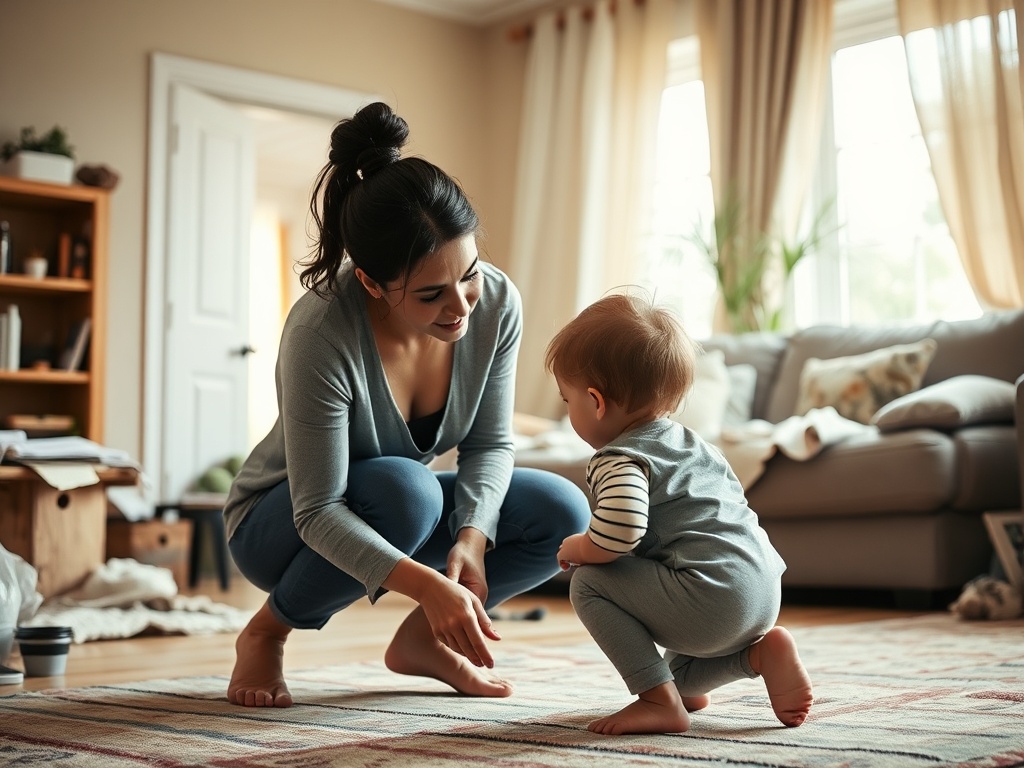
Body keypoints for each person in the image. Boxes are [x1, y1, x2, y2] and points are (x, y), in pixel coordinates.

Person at [223, 101, 591, 708]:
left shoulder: (496, 302)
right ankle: (267, 631)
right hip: (281, 524)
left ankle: (424, 643)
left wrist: (473, 539)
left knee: (561, 510)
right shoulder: (322, 331)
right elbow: (317, 510)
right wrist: (427, 585)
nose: (462, 307)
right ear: (371, 282)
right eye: (429, 294)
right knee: (406, 490)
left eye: (468, 274)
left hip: (392, 511)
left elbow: (490, 443)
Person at [544, 292, 813, 735]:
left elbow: (620, 532)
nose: (568, 411)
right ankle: (759, 656)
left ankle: (656, 702)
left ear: (595, 402)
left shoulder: (620, 457)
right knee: (682, 678)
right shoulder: (692, 444)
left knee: (589, 582)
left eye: (566, 400)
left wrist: (580, 545)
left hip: (711, 598)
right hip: (762, 589)